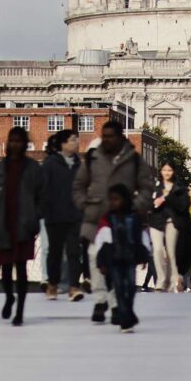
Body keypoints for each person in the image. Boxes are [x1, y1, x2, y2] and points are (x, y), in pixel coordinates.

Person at [72, 119, 155, 324]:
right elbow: (78, 185)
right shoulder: (92, 158)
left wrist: (136, 205)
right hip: (95, 218)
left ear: (121, 137)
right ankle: (101, 300)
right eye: (104, 136)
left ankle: (117, 302)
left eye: (111, 136)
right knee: (94, 258)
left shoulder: (134, 160)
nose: (106, 140)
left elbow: (147, 186)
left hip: (123, 220)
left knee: (120, 264)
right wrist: (85, 205)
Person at [0, 126, 43, 326]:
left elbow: (42, 197)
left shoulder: (34, 169)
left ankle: (20, 312)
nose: (14, 144)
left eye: (18, 141)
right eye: (12, 141)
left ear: (24, 144)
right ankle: (9, 296)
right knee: (6, 270)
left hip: (24, 225)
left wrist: (35, 219)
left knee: (22, 270)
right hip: (3, 224)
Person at [93, 183, 152, 332]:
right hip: (114, 259)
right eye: (110, 200)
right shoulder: (108, 219)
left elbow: (141, 238)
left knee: (131, 287)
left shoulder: (134, 217)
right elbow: (102, 241)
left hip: (130, 258)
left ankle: (128, 310)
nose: (113, 203)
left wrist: (144, 255)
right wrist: (102, 262)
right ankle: (125, 319)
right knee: (119, 288)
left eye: (116, 199)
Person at [39, 129, 85, 302]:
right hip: (54, 216)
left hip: (74, 216)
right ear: (63, 143)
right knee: (55, 252)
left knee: (74, 252)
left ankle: (73, 287)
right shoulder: (50, 163)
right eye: (73, 140)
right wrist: (44, 212)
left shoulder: (79, 165)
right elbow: (43, 189)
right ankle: (52, 284)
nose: (77, 143)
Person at [148, 162, 191, 292]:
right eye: (164, 170)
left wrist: (168, 196)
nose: (167, 173)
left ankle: (173, 280)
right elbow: (147, 204)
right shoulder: (154, 187)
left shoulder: (179, 188)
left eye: (170, 170)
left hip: (172, 222)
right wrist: (154, 202)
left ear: (174, 172)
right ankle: (161, 281)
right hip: (156, 222)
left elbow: (183, 206)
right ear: (161, 171)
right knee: (157, 250)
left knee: (171, 251)